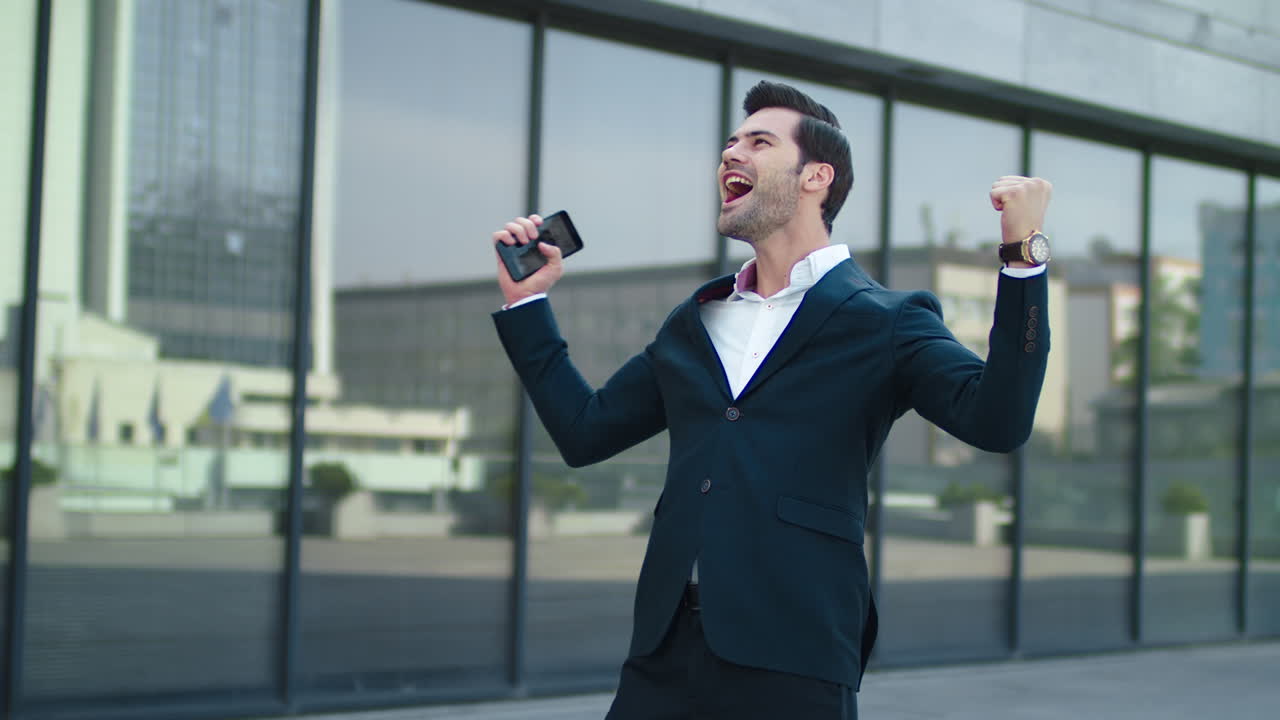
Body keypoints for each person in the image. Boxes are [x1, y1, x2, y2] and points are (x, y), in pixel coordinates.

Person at [489, 81, 1052, 720]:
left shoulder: (887, 320)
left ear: (817, 176)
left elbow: (999, 421)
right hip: (664, 654)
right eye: (730, 142)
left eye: (759, 142)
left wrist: (1023, 259)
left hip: (797, 654)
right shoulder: (695, 321)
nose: (732, 154)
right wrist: (526, 303)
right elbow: (584, 432)